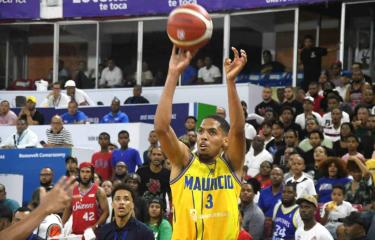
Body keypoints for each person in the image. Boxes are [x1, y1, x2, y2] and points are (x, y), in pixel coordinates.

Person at [154, 46, 247, 239]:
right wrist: (172, 75)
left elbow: (238, 130)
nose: (203, 136)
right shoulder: (184, 161)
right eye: (201, 131)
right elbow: (162, 128)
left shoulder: (232, 164)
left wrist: (230, 82)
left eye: (212, 132)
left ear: (225, 141)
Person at [0, 176, 76, 240]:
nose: (20, 224)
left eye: (24, 221)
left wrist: (44, 209)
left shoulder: (51, 222)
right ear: (10, 222)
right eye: (17, 220)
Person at [62, 162, 109, 236]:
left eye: (88, 172)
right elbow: (67, 210)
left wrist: (95, 226)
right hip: (76, 235)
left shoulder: (99, 191)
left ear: (92, 174)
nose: (85, 174)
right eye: (82, 171)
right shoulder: (72, 191)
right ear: (79, 173)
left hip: (94, 234)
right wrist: (62, 227)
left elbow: (106, 212)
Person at [258, 167, 283, 239]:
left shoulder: (286, 193)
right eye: (273, 174)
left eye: (278, 174)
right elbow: (260, 211)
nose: (275, 176)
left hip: (280, 224)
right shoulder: (263, 192)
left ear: (282, 177)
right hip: (265, 224)